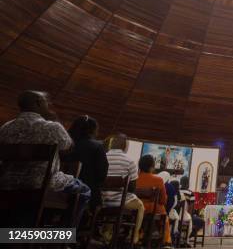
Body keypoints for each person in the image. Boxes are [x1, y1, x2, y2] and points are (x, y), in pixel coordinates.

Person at [0, 90, 90, 228]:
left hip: (6, 184)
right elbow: (68, 147)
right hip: (40, 184)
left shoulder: (5, 128)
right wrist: (54, 119)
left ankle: (16, 234)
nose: (49, 105)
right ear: (38, 103)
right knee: (85, 191)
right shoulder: (51, 127)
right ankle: (58, 239)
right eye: (46, 102)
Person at [103, 133, 144, 246]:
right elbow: (132, 187)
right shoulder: (129, 161)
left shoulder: (103, 156)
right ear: (125, 146)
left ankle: (107, 232)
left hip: (101, 199)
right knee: (140, 206)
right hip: (120, 201)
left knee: (112, 203)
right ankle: (134, 236)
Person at [65, 115, 108, 209]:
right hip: (86, 194)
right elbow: (101, 175)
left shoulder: (65, 144)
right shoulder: (97, 147)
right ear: (93, 130)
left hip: (57, 191)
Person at [137, 155, 172, 248]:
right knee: (164, 214)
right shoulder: (158, 180)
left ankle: (138, 236)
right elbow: (163, 200)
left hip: (136, 208)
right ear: (152, 167)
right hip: (152, 209)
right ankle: (166, 242)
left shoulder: (134, 178)